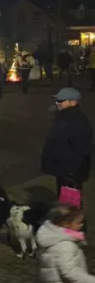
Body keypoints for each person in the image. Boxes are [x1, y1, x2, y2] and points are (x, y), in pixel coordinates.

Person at [42, 88, 93, 232]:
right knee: (66, 203)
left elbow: (82, 150)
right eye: (57, 100)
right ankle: (70, 227)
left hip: (71, 172)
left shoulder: (78, 122)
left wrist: (71, 171)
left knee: (71, 204)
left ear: (73, 102)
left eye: (61, 101)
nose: (57, 103)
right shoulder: (64, 116)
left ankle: (77, 230)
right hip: (64, 170)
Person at [37, 205, 95, 283]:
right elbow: (70, 272)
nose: (82, 225)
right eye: (79, 222)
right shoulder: (65, 246)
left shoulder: (51, 237)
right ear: (67, 224)